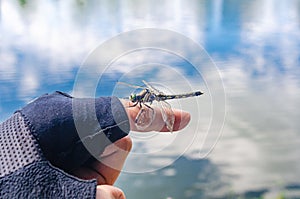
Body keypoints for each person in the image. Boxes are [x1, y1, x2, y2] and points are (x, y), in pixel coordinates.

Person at [0, 91, 190, 199]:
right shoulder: (136, 100)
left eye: (135, 98)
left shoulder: (143, 102)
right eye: (133, 98)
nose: (133, 99)